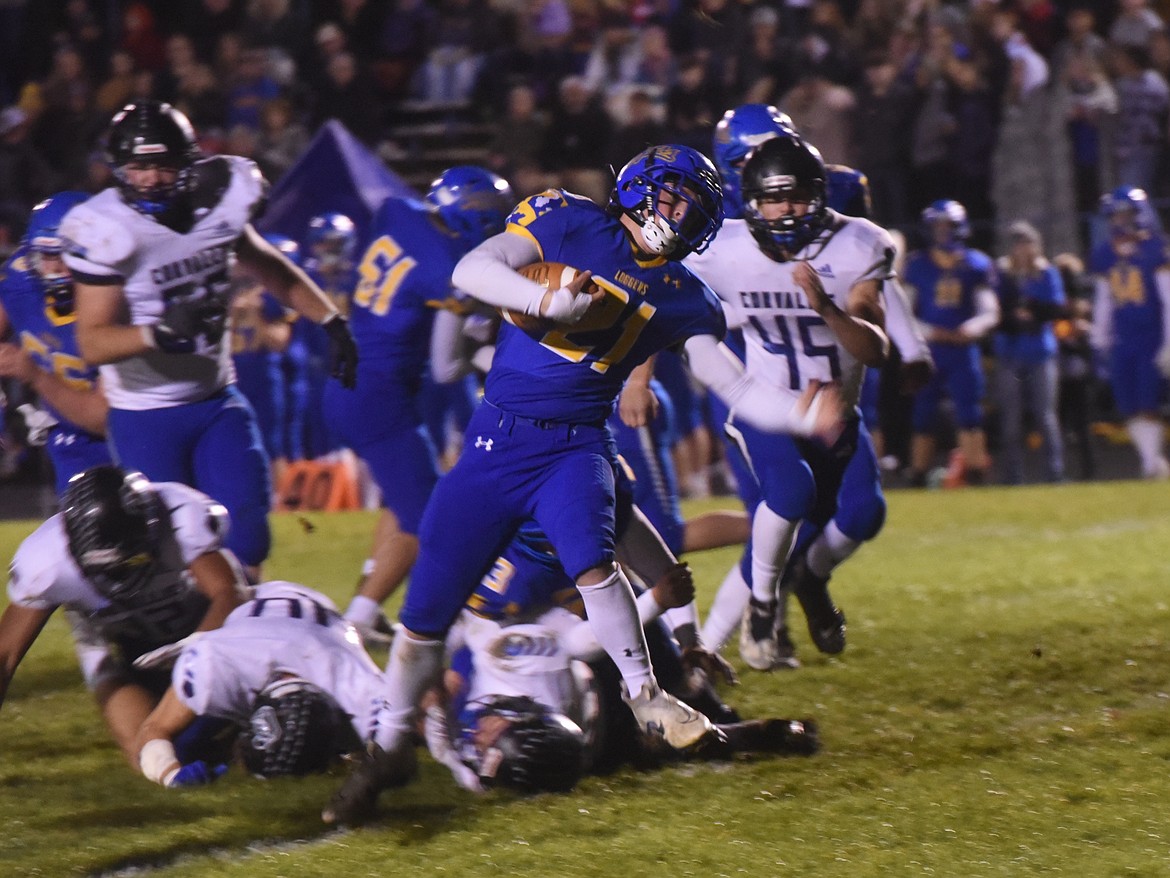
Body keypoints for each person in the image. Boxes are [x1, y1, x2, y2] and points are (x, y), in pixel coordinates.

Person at [323, 144, 841, 825]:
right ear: (640, 191)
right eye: (676, 198)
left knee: (598, 568)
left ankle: (647, 696)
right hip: (496, 442)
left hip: (576, 445)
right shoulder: (569, 220)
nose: (684, 217)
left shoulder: (686, 296)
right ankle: (389, 747)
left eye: (698, 208)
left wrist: (799, 409)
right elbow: (473, 268)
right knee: (423, 619)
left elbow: (735, 386)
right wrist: (545, 298)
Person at [59, 101, 358, 577]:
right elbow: (92, 342)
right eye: (139, 167)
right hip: (145, 412)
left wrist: (330, 320)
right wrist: (156, 333)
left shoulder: (219, 198)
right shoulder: (106, 229)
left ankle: (239, 639)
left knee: (249, 536)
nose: (152, 179)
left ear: (189, 162)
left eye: (163, 165)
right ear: (119, 170)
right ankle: (177, 644)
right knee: (174, 554)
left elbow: (267, 263)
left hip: (218, 398)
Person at [685, 134, 890, 671]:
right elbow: (664, 302)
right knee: (789, 494)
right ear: (751, 201)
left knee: (865, 513)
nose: (786, 210)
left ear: (820, 196)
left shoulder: (856, 246)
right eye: (774, 199)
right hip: (765, 405)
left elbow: (877, 348)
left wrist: (825, 306)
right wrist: (638, 381)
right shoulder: (723, 248)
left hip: (835, 412)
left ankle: (811, 581)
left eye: (797, 196)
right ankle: (754, 612)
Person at [323, 166, 515, 642]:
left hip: (349, 378)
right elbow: (448, 367)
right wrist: (494, 355)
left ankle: (365, 611)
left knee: (403, 501)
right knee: (428, 519)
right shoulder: (450, 269)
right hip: (378, 394)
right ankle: (362, 626)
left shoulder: (397, 212)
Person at [0, 465, 248, 765]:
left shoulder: (181, 515)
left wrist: (197, 648)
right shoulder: (47, 564)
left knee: (249, 740)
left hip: (202, 615)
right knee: (150, 758)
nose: (120, 575)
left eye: (130, 560)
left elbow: (228, 594)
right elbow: (5, 653)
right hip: (115, 629)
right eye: (107, 568)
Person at [133, 580, 384, 788]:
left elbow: (402, 727)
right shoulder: (215, 668)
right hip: (250, 608)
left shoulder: (352, 683)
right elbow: (153, 728)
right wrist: (171, 776)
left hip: (316, 627)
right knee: (184, 747)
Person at [0, 192, 111, 494]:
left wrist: (35, 376)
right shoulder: (20, 283)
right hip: (70, 438)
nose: (57, 269)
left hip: (125, 432)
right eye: (48, 256)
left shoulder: (119, 306)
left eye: (67, 255)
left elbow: (104, 419)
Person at [903, 200, 1000, 487]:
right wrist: (932, 332)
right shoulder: (917, 264)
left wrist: (969, 330)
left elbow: (989, 311)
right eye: (938, 226)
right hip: (928, 348)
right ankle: (918, 473)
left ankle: (976, 471)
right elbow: (904, 312)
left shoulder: (976, 264)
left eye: (948, 226)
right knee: (923, 411)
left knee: (970, 412)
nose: (943, 232)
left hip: (962, 349)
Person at [1089, 187, 1170, 479]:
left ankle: (1151, 466)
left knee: (1149, 403)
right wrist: (1099, 339)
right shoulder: (1105, 254)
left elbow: (1168, 299)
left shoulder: (1156, 250)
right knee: (1128, 405)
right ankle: (1152, 462)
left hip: (1151, 337)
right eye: (1117, 215)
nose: (1121, 221)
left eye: (1127, 214)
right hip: (1123, 339)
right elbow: (1104, 302)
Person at [992, 221, 1067, 484]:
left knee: (1045, 416)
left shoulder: (1046, 273)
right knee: (1011, 419)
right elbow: (996, 311)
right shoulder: (1002, 274)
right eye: (1018, 243)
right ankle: (1013, 476)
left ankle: (1054, 474)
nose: (1022, 249)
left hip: (1039, 350)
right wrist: (1015, 314)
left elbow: (1055, 308)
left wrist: (1031, 311)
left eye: (1026, 243)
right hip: (1010, 351)